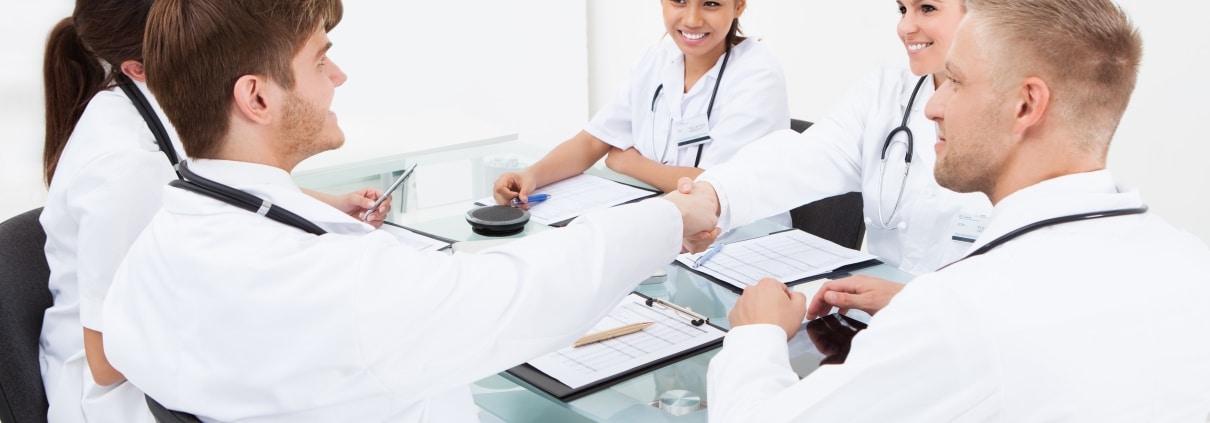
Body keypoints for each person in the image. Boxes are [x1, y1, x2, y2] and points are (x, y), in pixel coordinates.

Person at [99, 0, 717, 421]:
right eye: (319, 59)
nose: (337, 76)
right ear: (257, 96)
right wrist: (673, 215)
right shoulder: (334, 287)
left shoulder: (161, 246)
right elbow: (525, 293)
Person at [706, 0, 1210, 420]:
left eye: (956, 81)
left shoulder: (958, 313)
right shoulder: (1192, 265)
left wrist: (757, 333)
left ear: (1025, 105)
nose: (930, 106)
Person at [37, 1, 391, 421]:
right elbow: (108, 361)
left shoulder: (158, 107)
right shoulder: (122, 167)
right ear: (138, 67)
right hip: (124, 400)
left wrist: (327, 204)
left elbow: (205, 183)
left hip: (168, 355)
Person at [686, 0, 990, 277]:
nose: (905, 27)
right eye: (902, 9)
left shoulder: (1021, 114)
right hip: (875, 318)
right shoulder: (883, 95)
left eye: (927, 8)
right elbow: (799, 159)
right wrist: (711, 196)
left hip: (965, 327)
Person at [493, 0, 789, 203]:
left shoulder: (758, 76)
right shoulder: (657, 61)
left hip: (738, 242)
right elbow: (591, 142)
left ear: (738, 5)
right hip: (668, 227)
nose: (692, 19)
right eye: (679, 0)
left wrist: (629, 163)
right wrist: (529, 175)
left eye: (711, 3)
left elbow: (714, 186)